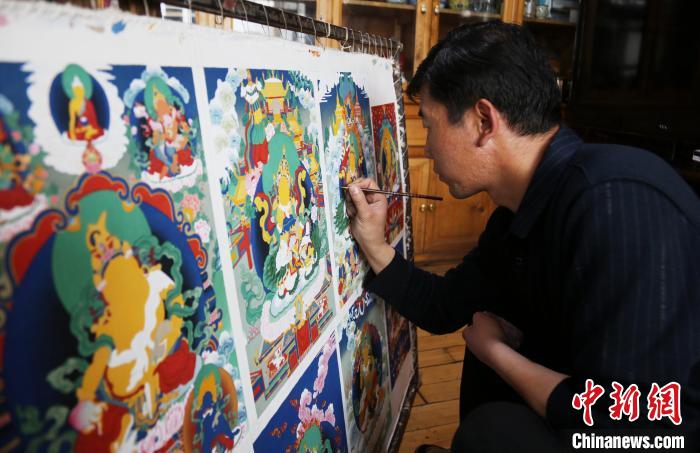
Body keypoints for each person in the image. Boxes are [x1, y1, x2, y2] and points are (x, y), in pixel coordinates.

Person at [345, 21, 700, 452]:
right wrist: (375, 245)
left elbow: (628, 425)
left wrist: (499, 354)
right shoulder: (519, 215)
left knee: (492, 429)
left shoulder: (616, 201)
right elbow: (443, 307)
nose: (430, 147)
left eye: (431, 125)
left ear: (482, 121)